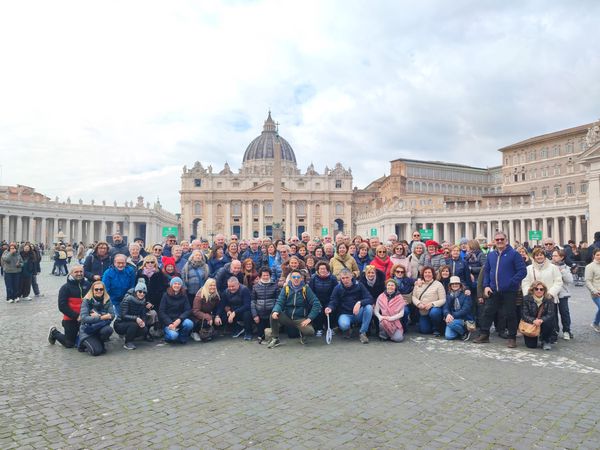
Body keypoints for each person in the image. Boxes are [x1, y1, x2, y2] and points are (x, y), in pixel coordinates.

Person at [474, 231, 527, 348]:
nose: (499, 241)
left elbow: (522, 271)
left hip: (509, 290)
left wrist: (512, 282)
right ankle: (484, 334)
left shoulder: (514, 254)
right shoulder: (491, 255)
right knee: (487, 312)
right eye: (497, 240)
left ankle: (512, 337)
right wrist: (486, 285)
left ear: (506, 240)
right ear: (494, 241)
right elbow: (487, 271)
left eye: (501, 239)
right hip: (493, 289)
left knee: (510, 314)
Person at [267, 269, 321, 348]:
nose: (296, 279)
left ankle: (302, 334)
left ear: (301, 278)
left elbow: (316, 303)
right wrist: (276, 311)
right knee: (273, 314)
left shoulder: (306, 289)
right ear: (290, 278)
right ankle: (275, 338)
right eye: (294, 277)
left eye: (298, 277)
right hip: (287, 317)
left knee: (310, 332)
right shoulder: (286, 288)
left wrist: (309, 318)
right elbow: (280, 302)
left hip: (300, 319)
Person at [326, 268, 374, 344]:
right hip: (345, 314)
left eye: (347, 277)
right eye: (343, 278)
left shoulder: (359, 285)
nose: (345, 280)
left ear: (351, 276)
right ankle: (347, 330)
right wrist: (330, 307)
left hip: (358, 313)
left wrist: (359, 303)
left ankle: (363, 333)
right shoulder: (337, 288)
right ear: (340, 278)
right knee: (344, 325)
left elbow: (370, 299)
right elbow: (333, 301)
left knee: (369, 308)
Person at [48, 265, 91, 348]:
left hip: (86, 318)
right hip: (71, 318)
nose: (79, 274)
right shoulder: (65, 288)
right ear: (71, 273)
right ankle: (54, 332)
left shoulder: (88, 285)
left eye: (81, 272)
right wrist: (76, 316)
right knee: (69, 343)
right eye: (76, 272)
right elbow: (62, 306)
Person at [114, 279, 157, 350]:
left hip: (132, 321)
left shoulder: (143, 301)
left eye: (144, 292)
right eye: (140, 291)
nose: (142, 294)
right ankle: (128, 342)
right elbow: (123, 315)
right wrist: (136, 318)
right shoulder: (127, 299)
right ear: (136, 291)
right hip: (120, 323)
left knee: (144, 329)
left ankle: (130, 336)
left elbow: (143, 314)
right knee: (133, 325)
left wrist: (143, 322)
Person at [78, 281, 115, 356]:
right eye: (96, 289)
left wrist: (98, 316)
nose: (99, 291)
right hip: (87, 330)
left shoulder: (107, 300)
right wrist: (103, 317)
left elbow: (112, 315)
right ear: (92, 290)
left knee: (108, 330)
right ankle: (82, 343)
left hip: (100, 327)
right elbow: (84, 318)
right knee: (96, 352)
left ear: (104, 290)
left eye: (101, 289)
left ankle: (99, 341)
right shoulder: (86, 300)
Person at [521, 281, 556, 350]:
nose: (539, 291)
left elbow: (550, 314)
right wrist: (533, 320)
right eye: (536, 289)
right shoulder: (526, 299)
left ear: (544, 290)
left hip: (543, 322)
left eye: (541, 289)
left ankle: (546, 340)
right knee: (531, 346)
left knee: (550, 321)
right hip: (531, 323)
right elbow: (524, 314)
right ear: (532, 290)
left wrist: (541, 320)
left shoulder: (549, 299)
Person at [412, 266, 446, 336]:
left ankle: (436, 328)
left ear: (433, 274)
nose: (427, 274)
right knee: (424, 330)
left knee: (434, 312)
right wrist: (418, 304)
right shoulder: (418, 284)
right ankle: (430, 324)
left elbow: (443, 299)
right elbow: (413, 296)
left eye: (429, 272)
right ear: (423, 274)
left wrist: (432, 304)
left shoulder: (438, 284)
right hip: (423, 311)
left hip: (434, 309)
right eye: (425, 272)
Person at [159, 277, 193, 343]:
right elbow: (161, 311)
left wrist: (180, 319)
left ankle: (182, 337)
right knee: (173, 336)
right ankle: (167, 337)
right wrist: (169, 323)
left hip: (179, 320)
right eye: (175, 283)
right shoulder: (165, 295)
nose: (177, 285)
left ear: (181, 286)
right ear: (171, 285)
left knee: (189, 323)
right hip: (168, 323)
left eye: (179, 284)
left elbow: (188, 310)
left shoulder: (184, 295)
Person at [309, 261, 339, 337]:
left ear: (328, 269)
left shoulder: (333, 278)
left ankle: (330, 327)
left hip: (329, 300)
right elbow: (311, 291)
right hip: (317, 300)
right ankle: (319, 328)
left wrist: (330, 304)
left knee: (331, 310)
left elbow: (335, 292)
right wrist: (315, 301)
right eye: (321, 269)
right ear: (318, 270)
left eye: (324, 269)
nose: (323, 270)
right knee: (318, 311)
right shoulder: (313, 277)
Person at [251, 267, 279, 343]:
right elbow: (253, 301)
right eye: (264, 275)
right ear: (260, 276)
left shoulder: (275, 286)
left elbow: (278, 301)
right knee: (261, 335)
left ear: (270, 276)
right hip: (260, 314)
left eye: (267, 275)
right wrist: (255, 315)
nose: (266, 277)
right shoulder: (255, 287)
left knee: (270, 334)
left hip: (271, 313)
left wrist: (275, 311)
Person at [552, 249, 574, 340]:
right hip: (552, 293)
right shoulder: (550, 267)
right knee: (553, 313)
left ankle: (566, 330)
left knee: (564, 312)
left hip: (562, 294)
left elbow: (570, 280)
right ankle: (555, 330)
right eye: (553, 255)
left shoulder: (566, 268)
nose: (553, 257)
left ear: (562, 257)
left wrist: (562, 270)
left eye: (556, 255)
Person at [443, 276, 474, 341]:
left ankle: (464, 332)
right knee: (449, 336)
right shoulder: (449, 295)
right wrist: (447, 314)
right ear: (450, 285)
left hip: (464, 319)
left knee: (449, 323)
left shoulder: (466, 294)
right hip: (453, 318)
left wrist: (452, 316)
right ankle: (459, 331)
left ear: (460, 285)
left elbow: (465, 310)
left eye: (456, 283)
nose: (454, 285)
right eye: (453, 284)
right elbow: (446, 307)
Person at [191, 278, 220, 342]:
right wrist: (207, 317)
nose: (213, 287)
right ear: (207, 286)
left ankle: (210, 332)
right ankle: (195, 332)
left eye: (214, 285)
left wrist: (217, 316)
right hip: (198, 317)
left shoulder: (216, 295)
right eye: (210, 285)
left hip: (210, 314)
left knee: (221, 319)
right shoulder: (199, 296)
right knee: (205, 323)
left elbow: (218, 307)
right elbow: (195, 311)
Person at [585, 248, 600, 332]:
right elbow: (588, 281)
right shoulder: (589, 267)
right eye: (597, 255)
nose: (599, 256)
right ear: (594, 256)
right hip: (596, 292)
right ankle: (595, 323)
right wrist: (594, 291)